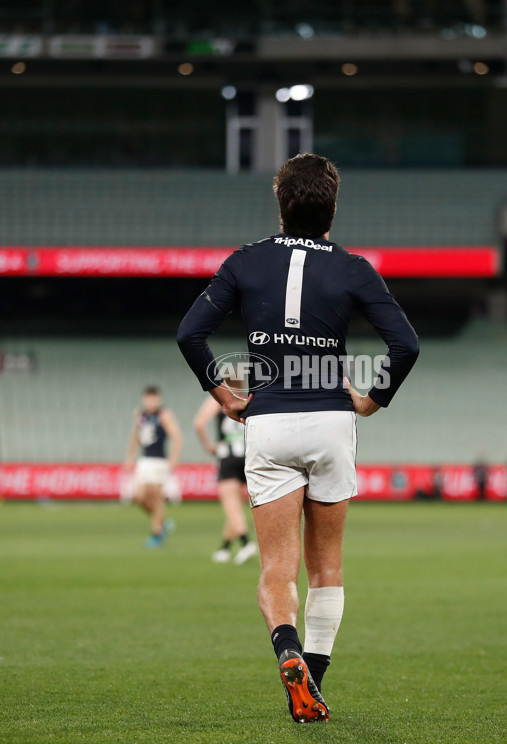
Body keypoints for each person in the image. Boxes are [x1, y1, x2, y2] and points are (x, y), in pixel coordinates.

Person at [177, 153, 419, 722]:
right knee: (327, 566)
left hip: (269, 422)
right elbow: (405, 345)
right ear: (333, 207)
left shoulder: (245, 262)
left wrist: (225, 397)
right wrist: (371, 399)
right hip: (333, 421)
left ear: (279, 204)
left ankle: (288, 652)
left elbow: (191, 334)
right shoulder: (355, 268)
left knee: (276, 569)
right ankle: (313, 677)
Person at [194, 385, 258, 565]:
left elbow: (199, 423)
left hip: (228, 457)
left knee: (231, 506)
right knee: (236, 504)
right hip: (248, 456)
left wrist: (209, 446)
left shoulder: (220, 399)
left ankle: (246, 543)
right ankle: (225, 546)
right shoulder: (248, 398)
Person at [124, 386, 183, 549]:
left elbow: (176, 435)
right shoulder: (141, 416)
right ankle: (163, 521)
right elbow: (135, 436)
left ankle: (157, 533)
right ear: (144, 399)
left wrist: (174, 458)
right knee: (138, 496)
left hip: (158, 460)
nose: (151, 402)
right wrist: (130, 457)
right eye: (148, 398)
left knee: (155, 496)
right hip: (144, 460)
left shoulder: (164, 415)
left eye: (154, 398)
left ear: (159, 399)